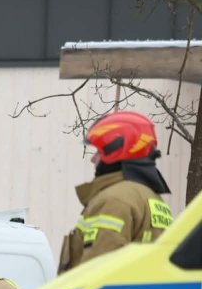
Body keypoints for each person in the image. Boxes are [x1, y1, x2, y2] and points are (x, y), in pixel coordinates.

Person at [58, 110, 173, 273]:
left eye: (98, 151)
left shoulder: (115, 200)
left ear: (116, 150)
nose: (93, 159)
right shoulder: (152, 198)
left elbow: (97, 274)